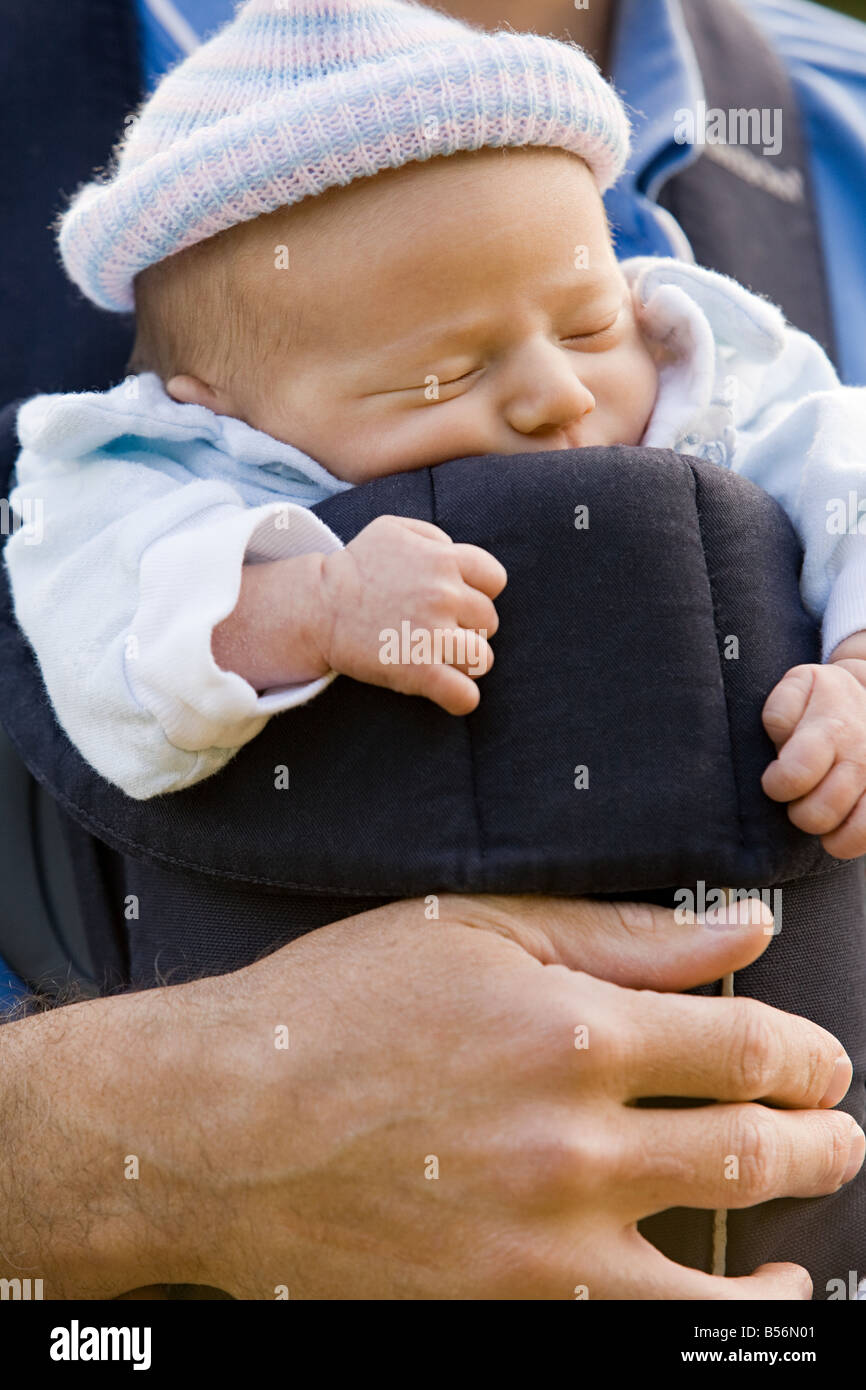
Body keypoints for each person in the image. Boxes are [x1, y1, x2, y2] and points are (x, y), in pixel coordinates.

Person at [0, 0, 864, 1301]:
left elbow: (834, 456)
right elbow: (112, 633)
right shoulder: (160, 472)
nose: (553, 395)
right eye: (436, 377)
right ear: (218, 412)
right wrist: (296, 603)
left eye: (585, 327)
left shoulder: (773, 230)